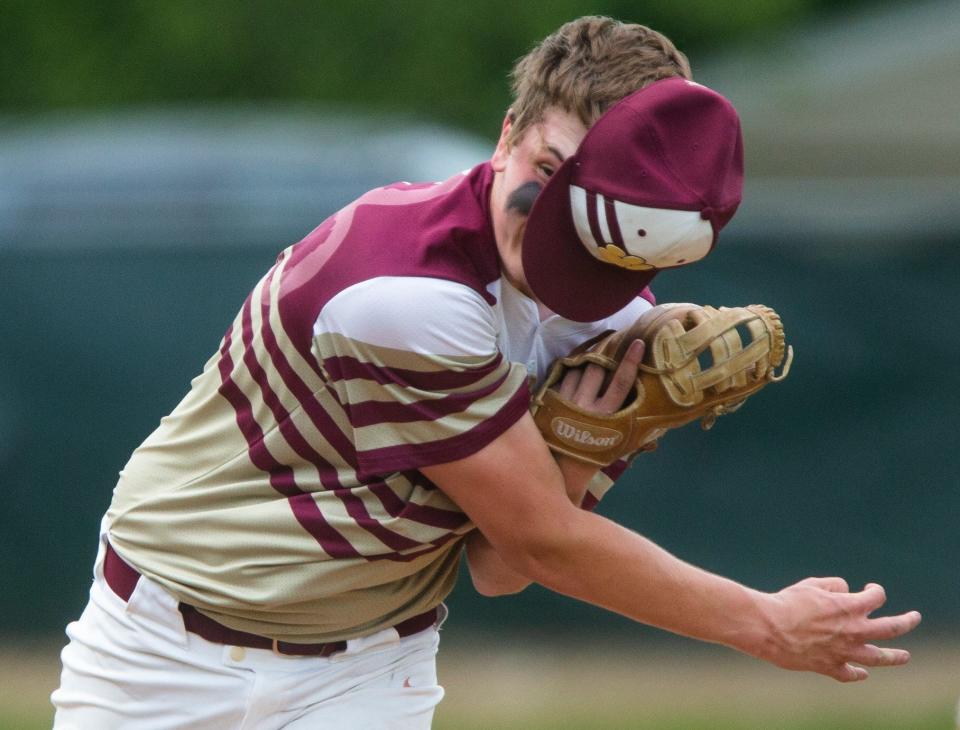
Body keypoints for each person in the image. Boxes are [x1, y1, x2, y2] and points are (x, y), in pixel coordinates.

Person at [51, 16, 920, 729]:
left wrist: (579, 446)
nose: (550, 221)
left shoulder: (615, 318)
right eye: (545, 170)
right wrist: (765, 624)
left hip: (367, 664)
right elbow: (543, 544)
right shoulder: (400, 292)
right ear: (507, 132)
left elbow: (502, 566)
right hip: (163, 649)